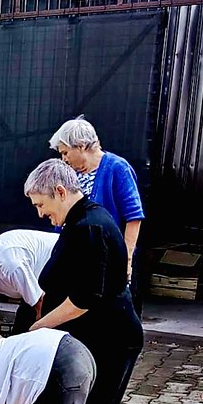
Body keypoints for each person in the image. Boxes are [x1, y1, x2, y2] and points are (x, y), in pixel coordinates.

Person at [25, 158, 144, 404]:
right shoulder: (79, 220)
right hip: (94, 334)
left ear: (60, 192)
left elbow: (83, 299)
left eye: (41, 205)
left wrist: (39, 326)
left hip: (113, 338)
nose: (41, 214)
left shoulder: (90, 227)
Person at [49, 115, 145, 304]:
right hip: (77, 257)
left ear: (81, 146)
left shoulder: (117, 168)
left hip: (109, 258)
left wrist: (125, 260)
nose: (63, 159)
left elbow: (134, 217)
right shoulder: (69, 174)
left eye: (66, 153)